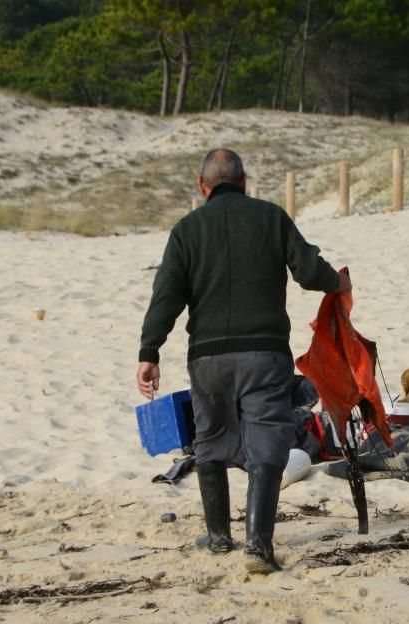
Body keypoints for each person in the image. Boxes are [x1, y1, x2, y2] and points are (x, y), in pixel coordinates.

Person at [136, 148, 351, 573]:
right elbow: (309, 272)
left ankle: (218, 537)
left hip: (208, 357)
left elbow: (166, 297)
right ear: (245, 180)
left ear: (203, 187)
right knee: (267, 441)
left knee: (210, 439)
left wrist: (149, 352)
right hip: (264, 354)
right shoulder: (271, 217)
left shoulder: (187, 229)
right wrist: (336, 282)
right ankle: (258, 545)